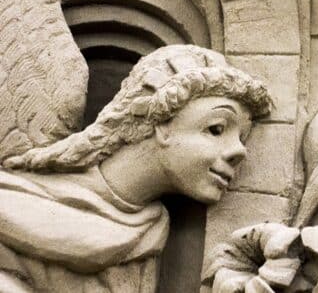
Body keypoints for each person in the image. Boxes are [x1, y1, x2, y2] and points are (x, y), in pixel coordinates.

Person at [0, 45, 273, 293]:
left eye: (242, 138)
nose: (239, 151)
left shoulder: (149, 232)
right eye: (216, 129)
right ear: (162, 123)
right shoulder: (18, 200)